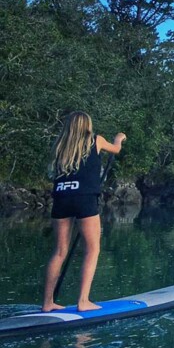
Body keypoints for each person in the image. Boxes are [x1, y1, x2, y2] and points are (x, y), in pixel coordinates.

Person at [42, 111, 126, 312]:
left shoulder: (61, 145)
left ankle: (47, 303)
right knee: (93, 249)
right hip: (85, 199)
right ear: (87, 125)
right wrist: (119, 138)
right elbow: (115, 150)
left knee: (60, 251)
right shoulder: (96, 140)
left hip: (61, 198)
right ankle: (83, 301)